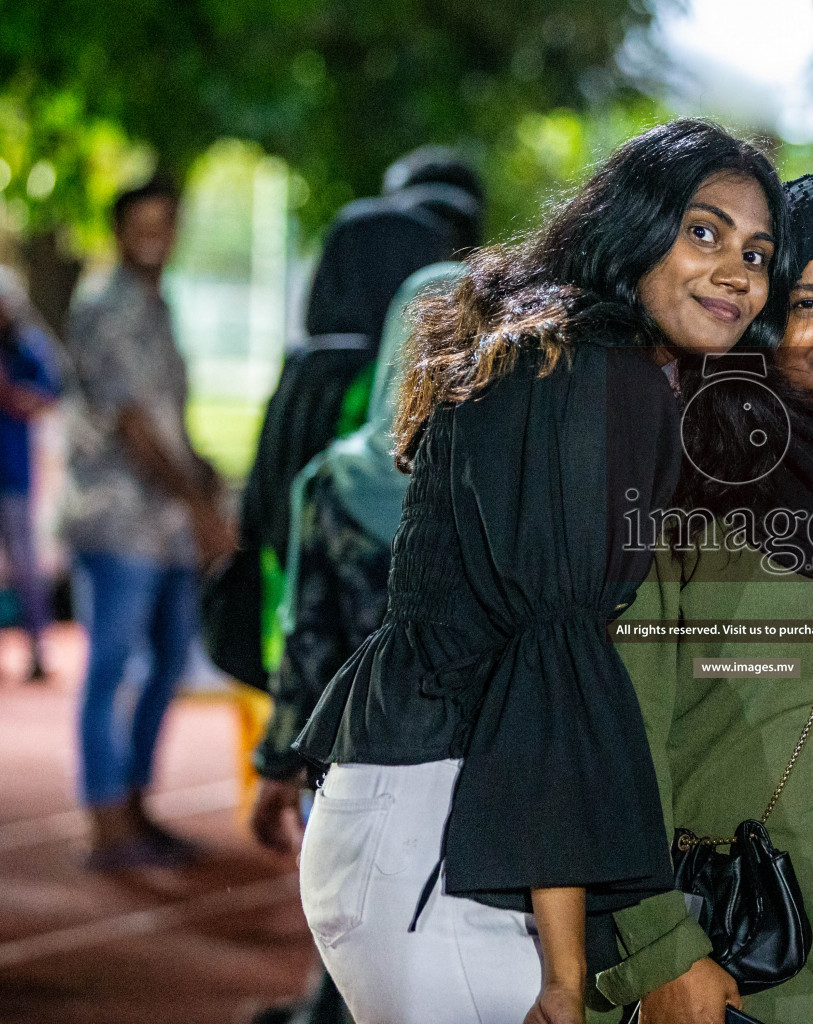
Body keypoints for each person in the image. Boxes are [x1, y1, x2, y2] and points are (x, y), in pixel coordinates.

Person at [291, 119, 789, 1024]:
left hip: (414, 815)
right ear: (636, 225)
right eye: (704, 232)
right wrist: (565, 975)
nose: (736, 273)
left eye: (756, 253)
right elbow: (553, 660)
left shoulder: (563, 346)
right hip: (443, 841)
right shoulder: (601, 370)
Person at [594, 172, 813, 1024]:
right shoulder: (684, 491)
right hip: (720, 975)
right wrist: (659, 951)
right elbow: (615, 735)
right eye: (807, 303)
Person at [248, 262, 463, 1024]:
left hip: (353, 760)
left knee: (353, 931)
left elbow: (307, 641)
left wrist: (278, 765)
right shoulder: (495, 487)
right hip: (466, 762)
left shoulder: (333, 484)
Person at [205, 186, 456, 691]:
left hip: (294, 615)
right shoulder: (397, 376)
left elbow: (261, 500)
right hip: (378, 640)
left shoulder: (302, 368)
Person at [61, 176, 238, 869]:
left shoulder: (157, 304)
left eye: (166, 221)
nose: (155, 234)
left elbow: (164, 415)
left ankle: (135, 805)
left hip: (162, 521)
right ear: (117, 228)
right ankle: (105, 820)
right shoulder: (106, 305)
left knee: (167, 660)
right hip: (116, 519)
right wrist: (199, 509)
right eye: (142, 222)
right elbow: (132, 422)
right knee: (112, 663)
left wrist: (203, 471)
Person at [0, 267, 61, 682]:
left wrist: (4, 392)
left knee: (24, 566)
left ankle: (36, 648)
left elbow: (48, 399)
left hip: (12, 473)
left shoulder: (26, 349)